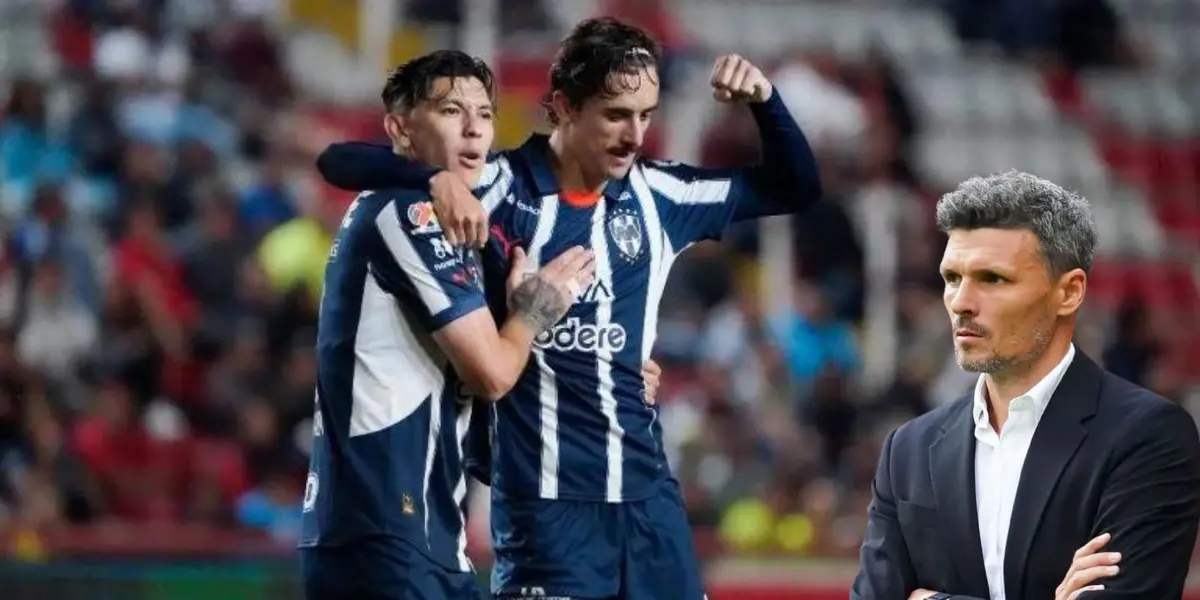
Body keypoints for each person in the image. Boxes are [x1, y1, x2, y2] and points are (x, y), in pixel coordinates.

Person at [315, 17, 821, 600]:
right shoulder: (496, 189)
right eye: (615, 114)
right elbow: (338, 161)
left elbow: (796, 187)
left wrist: (765, 101)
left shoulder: (660, 195)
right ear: (563, 106)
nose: (635, 135)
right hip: (545, 514)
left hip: (648, 504)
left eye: (646, 115)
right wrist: (430, 178)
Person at [298, 50, 598, 600]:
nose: (473, 128)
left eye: (484, 114)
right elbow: (491, 372)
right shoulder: (405, 212)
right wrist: (535, 309)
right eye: (451, 111)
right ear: (401, 129)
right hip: (384, 530)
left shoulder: (458, 223)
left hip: (420, 532)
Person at [850, 171, 1200, 600]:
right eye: (952, 278)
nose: (960, 302)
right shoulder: (908, 449)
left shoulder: (1147, 436)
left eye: (992, 279)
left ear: (1068, 292)